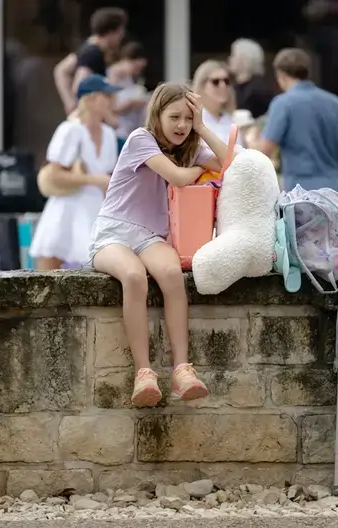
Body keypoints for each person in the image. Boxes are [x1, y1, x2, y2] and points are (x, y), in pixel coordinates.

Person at [85, 83, 234, 406]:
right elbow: (178, 178)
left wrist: (202, 128)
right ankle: (144, 373)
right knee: (135, 277)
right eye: (174, 117)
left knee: (170, 274)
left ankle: (182, 369)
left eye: (187, 118)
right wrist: (199, 169)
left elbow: (232, 163)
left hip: (151, 237)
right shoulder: (142, 139)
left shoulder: (189, 145)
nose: (181, 125)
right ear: (158, 114)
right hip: (113, 233)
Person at [253, 48, 338, 199]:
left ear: (281, 75)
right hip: (332, 192)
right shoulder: (333, 102)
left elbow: (264, 151)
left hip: (300, 195)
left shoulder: (283, 104)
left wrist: (252, 140)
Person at [29, 75, 120, 271]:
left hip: (95, 210)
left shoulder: (109, 134)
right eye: (106, 96)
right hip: (66, 210)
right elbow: (53, 174)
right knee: (48, 275)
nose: (111, 101)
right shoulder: (70, 130)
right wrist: (95, 180)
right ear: (91, 99)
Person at [54, 8, 127, 115]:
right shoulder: (93, 54)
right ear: (111, 32)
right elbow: (81, 87)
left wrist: (69, 101)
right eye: (120, 31)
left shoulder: (88, 47)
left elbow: (61, 70)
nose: (122, 35)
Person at [108, 41, 150, 153]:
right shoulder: (113, 76)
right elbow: (112, 107)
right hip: (118, 131)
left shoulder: (130, 79)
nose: (137, 72)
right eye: (136, 67)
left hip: (130, 131)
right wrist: (131, 103)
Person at [192, 60, 237, 144]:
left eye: (226, 81)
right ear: (202, 86)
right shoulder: (195, 120)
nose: (223, 85)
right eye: (216, 81)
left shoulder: (232, 120)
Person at [228, 38, 275, 119]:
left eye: (233, 55)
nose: (229, 59)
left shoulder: (260, 91)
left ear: (243, 59)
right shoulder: (232, 87)